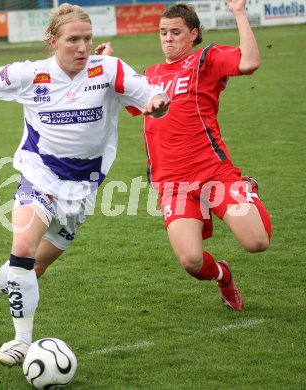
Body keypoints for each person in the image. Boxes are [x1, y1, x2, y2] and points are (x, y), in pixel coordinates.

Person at [0, 3, 169, 368]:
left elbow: (149, 91)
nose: (82, 47)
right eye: (73, 40)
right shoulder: (31, 75)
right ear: (54, 41)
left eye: (87, 39)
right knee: (23, 248)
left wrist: (157, 103)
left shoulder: (110, 70)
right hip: (38, 175)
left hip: (83, 189)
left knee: (32, 269)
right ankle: (21, 341)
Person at [142, 0, 272, 312]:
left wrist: (239, 12)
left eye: (176, 32)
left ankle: (245, 189)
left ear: (193, 34)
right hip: (173, 182)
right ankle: (223, 275)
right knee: (191, 261)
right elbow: (115, 96)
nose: (168, 38)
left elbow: (249, 61)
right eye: (163, 32)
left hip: (213, 172)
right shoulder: (149, 75)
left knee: (257, 243)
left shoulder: (206, 59)